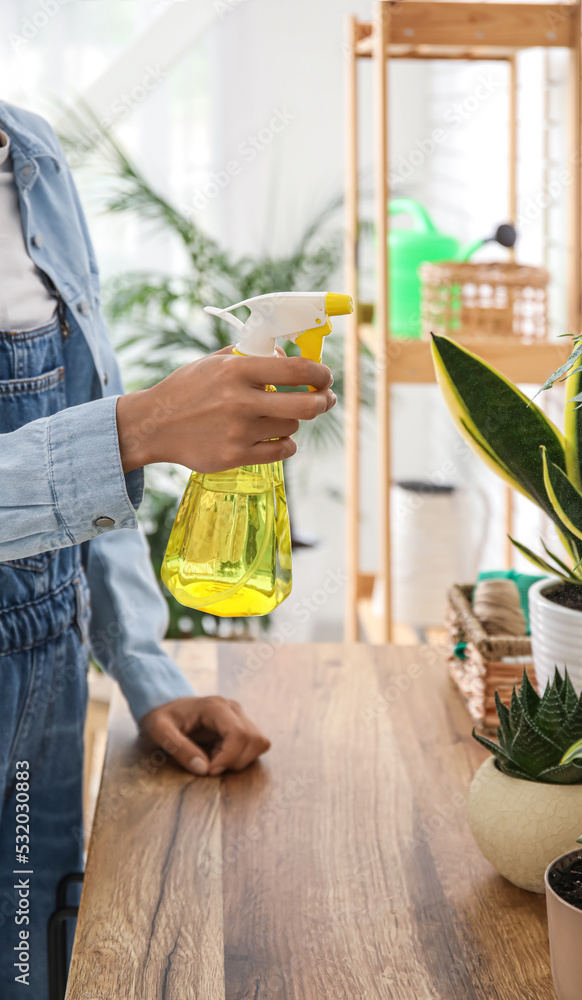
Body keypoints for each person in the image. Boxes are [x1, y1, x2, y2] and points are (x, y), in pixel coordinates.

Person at [0, 100, 336, 999]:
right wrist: (139, 428)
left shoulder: (29, 153)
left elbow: (83, 410)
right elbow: (109, 432)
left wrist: (146, 672)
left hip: (46, 687)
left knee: (31, 956)